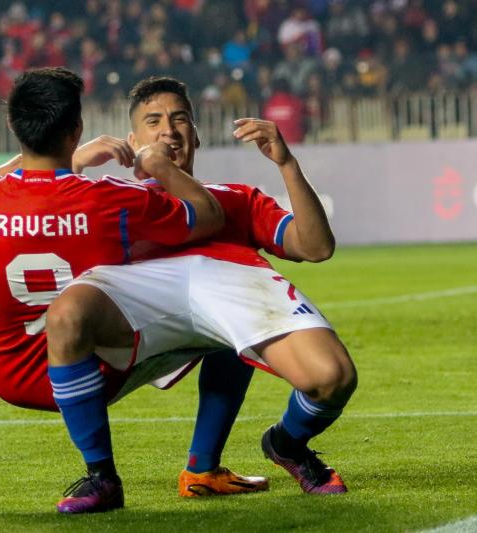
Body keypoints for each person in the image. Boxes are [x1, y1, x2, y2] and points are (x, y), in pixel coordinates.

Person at [0, 67, 236, 507]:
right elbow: (207, 215)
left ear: (14, 126)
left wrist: (61, 158)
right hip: (100, 371)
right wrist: (159, 166)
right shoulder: (111, 199)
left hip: (9, 375)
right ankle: (202, 467)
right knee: (229, 328)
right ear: (77, 129)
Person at [44, 76, 357, 512]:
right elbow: (29, 210)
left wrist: (286, 164)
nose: (168, 130)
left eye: (180, 120)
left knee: (333, 377)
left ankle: (280, 445)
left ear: (196, 136)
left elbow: (317, 247)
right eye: (154, 121)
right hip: (133, 339)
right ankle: (100, 476)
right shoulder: (108, 200)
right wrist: (72, 165)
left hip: (225, 307)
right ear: (132, 142)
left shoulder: (236, 199)